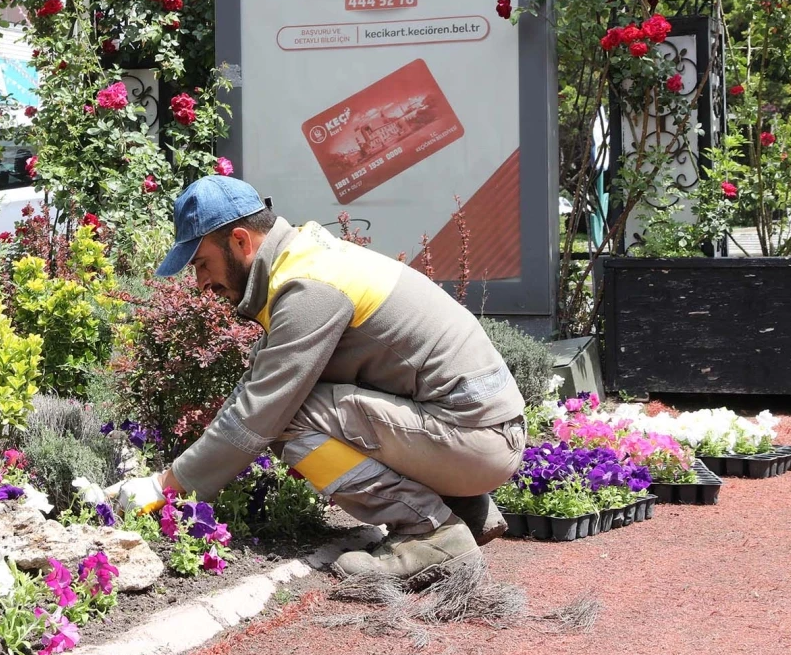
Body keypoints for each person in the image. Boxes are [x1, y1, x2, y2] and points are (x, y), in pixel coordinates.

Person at [124, 175, 526, 584]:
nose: (201, 284)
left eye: (201, 264)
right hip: (476, 432)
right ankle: (467, 509)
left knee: (286, 421)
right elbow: (256, 387)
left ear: (241, 241)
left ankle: (430, 532)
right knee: (291, 405)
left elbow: (258, 415)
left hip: (478, 441)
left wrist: (165, 487)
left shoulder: (308, 289)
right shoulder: (303, 258)